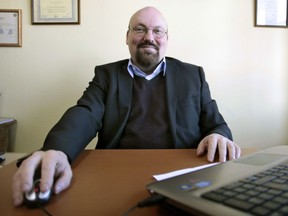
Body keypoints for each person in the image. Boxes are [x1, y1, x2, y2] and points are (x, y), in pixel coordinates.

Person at [12, 6, 241, 206]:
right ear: (127, 36)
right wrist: (58, 149)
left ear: (166, 39)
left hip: (181, 174)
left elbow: (217, 125)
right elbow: (85, 113)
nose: (149, 37)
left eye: (157, 30)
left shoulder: (193, 76)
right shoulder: (106, 76)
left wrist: (218, 135)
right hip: (114, 173)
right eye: (140, 29)